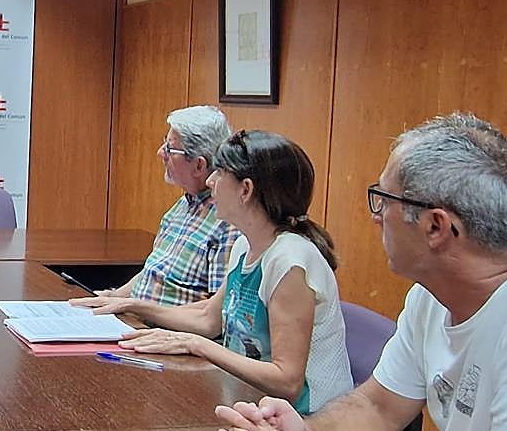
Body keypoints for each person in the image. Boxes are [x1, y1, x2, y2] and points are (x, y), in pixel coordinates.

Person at [215, 113, 507, 431]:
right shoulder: (429, 297)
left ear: (436, 226)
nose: (376, 216)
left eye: (384, 201)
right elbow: (377, 407)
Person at [75, 130, 352, 414]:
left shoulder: (291, 261)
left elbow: (287, 381)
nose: (210, 181)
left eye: (219, 172)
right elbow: (210, 318)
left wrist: (199, 346)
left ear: (246, 189)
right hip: (249, 402)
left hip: (308, 421)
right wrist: (131, 305)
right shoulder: (245, 243)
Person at [99, 105, 239, 305]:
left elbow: (216, 312)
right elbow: (154, 271)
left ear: (199, 165)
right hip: (136, 318)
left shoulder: (228, 221)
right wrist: (112, 296)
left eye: (170, 149)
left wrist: (137, 308)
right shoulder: (183, 203)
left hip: (167, 332)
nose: (160, 153)